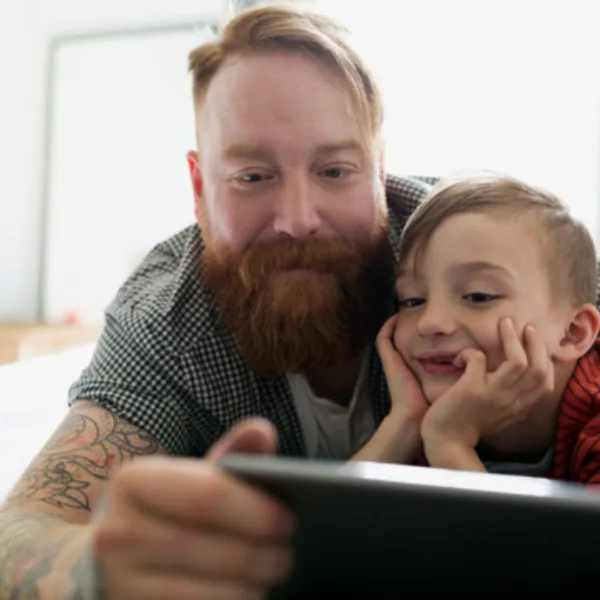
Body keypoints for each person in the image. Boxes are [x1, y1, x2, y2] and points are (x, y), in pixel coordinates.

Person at [359, 174, 600, 482]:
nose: (431, 322)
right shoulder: (423, 413)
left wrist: (450, 445)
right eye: (412, 300)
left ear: (573, 332)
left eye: (478, 296)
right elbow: (319, 527)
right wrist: (404, 424)